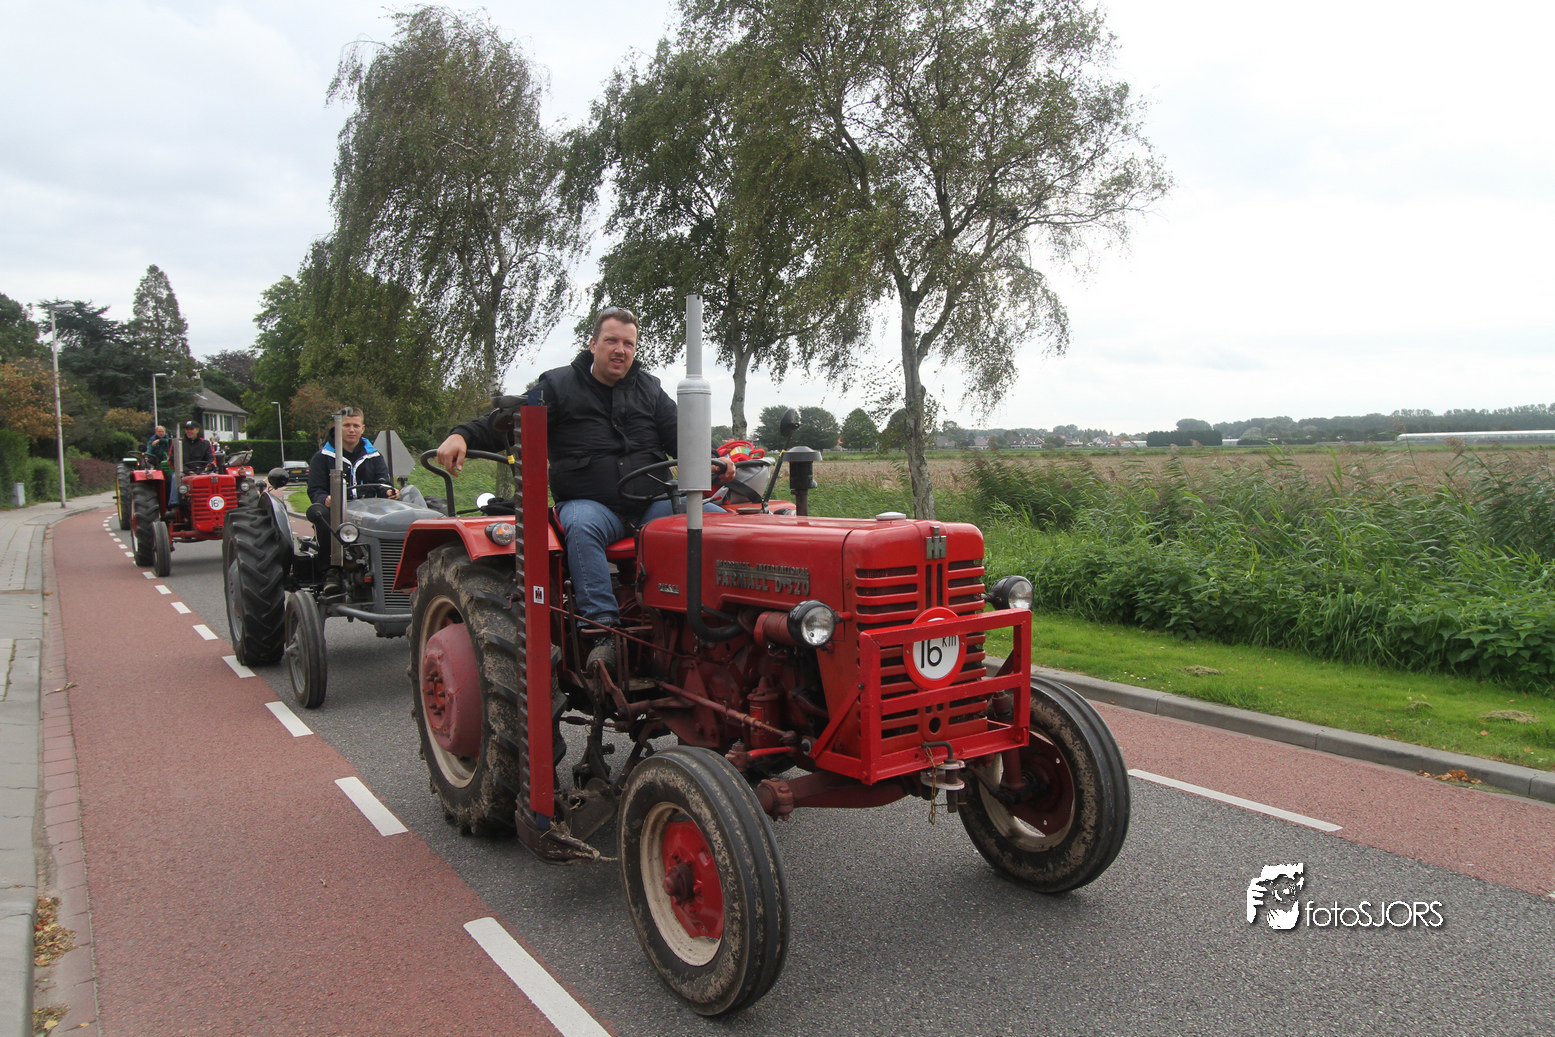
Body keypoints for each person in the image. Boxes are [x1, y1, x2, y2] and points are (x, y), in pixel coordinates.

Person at [435, 306, 733, 668]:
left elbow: (683, 437)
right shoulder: (559, 386)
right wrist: (462, 435)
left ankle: (715, 614)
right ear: (593, 344)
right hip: (592, 504)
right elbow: (509, 421)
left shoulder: (650, 389)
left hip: (652, 501)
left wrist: (713, 459)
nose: (620, 350)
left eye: (628, 343)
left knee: (717, 518)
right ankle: (603, 631)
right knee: (581, 525)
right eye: (611, 341)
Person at [306, 407, 398, 594]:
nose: (351, 430)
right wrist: (325, 499)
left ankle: (391, 567)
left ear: (362, 428)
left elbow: (383, 483)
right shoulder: (322, 458)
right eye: (346, 425)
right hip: (337, 510)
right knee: (323, 515)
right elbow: (315, 490)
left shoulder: (374, 456)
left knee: (393, 517)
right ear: (338, 427)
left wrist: (389, 492)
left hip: (369, 508)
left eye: (356, 426)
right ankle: (332, 570)